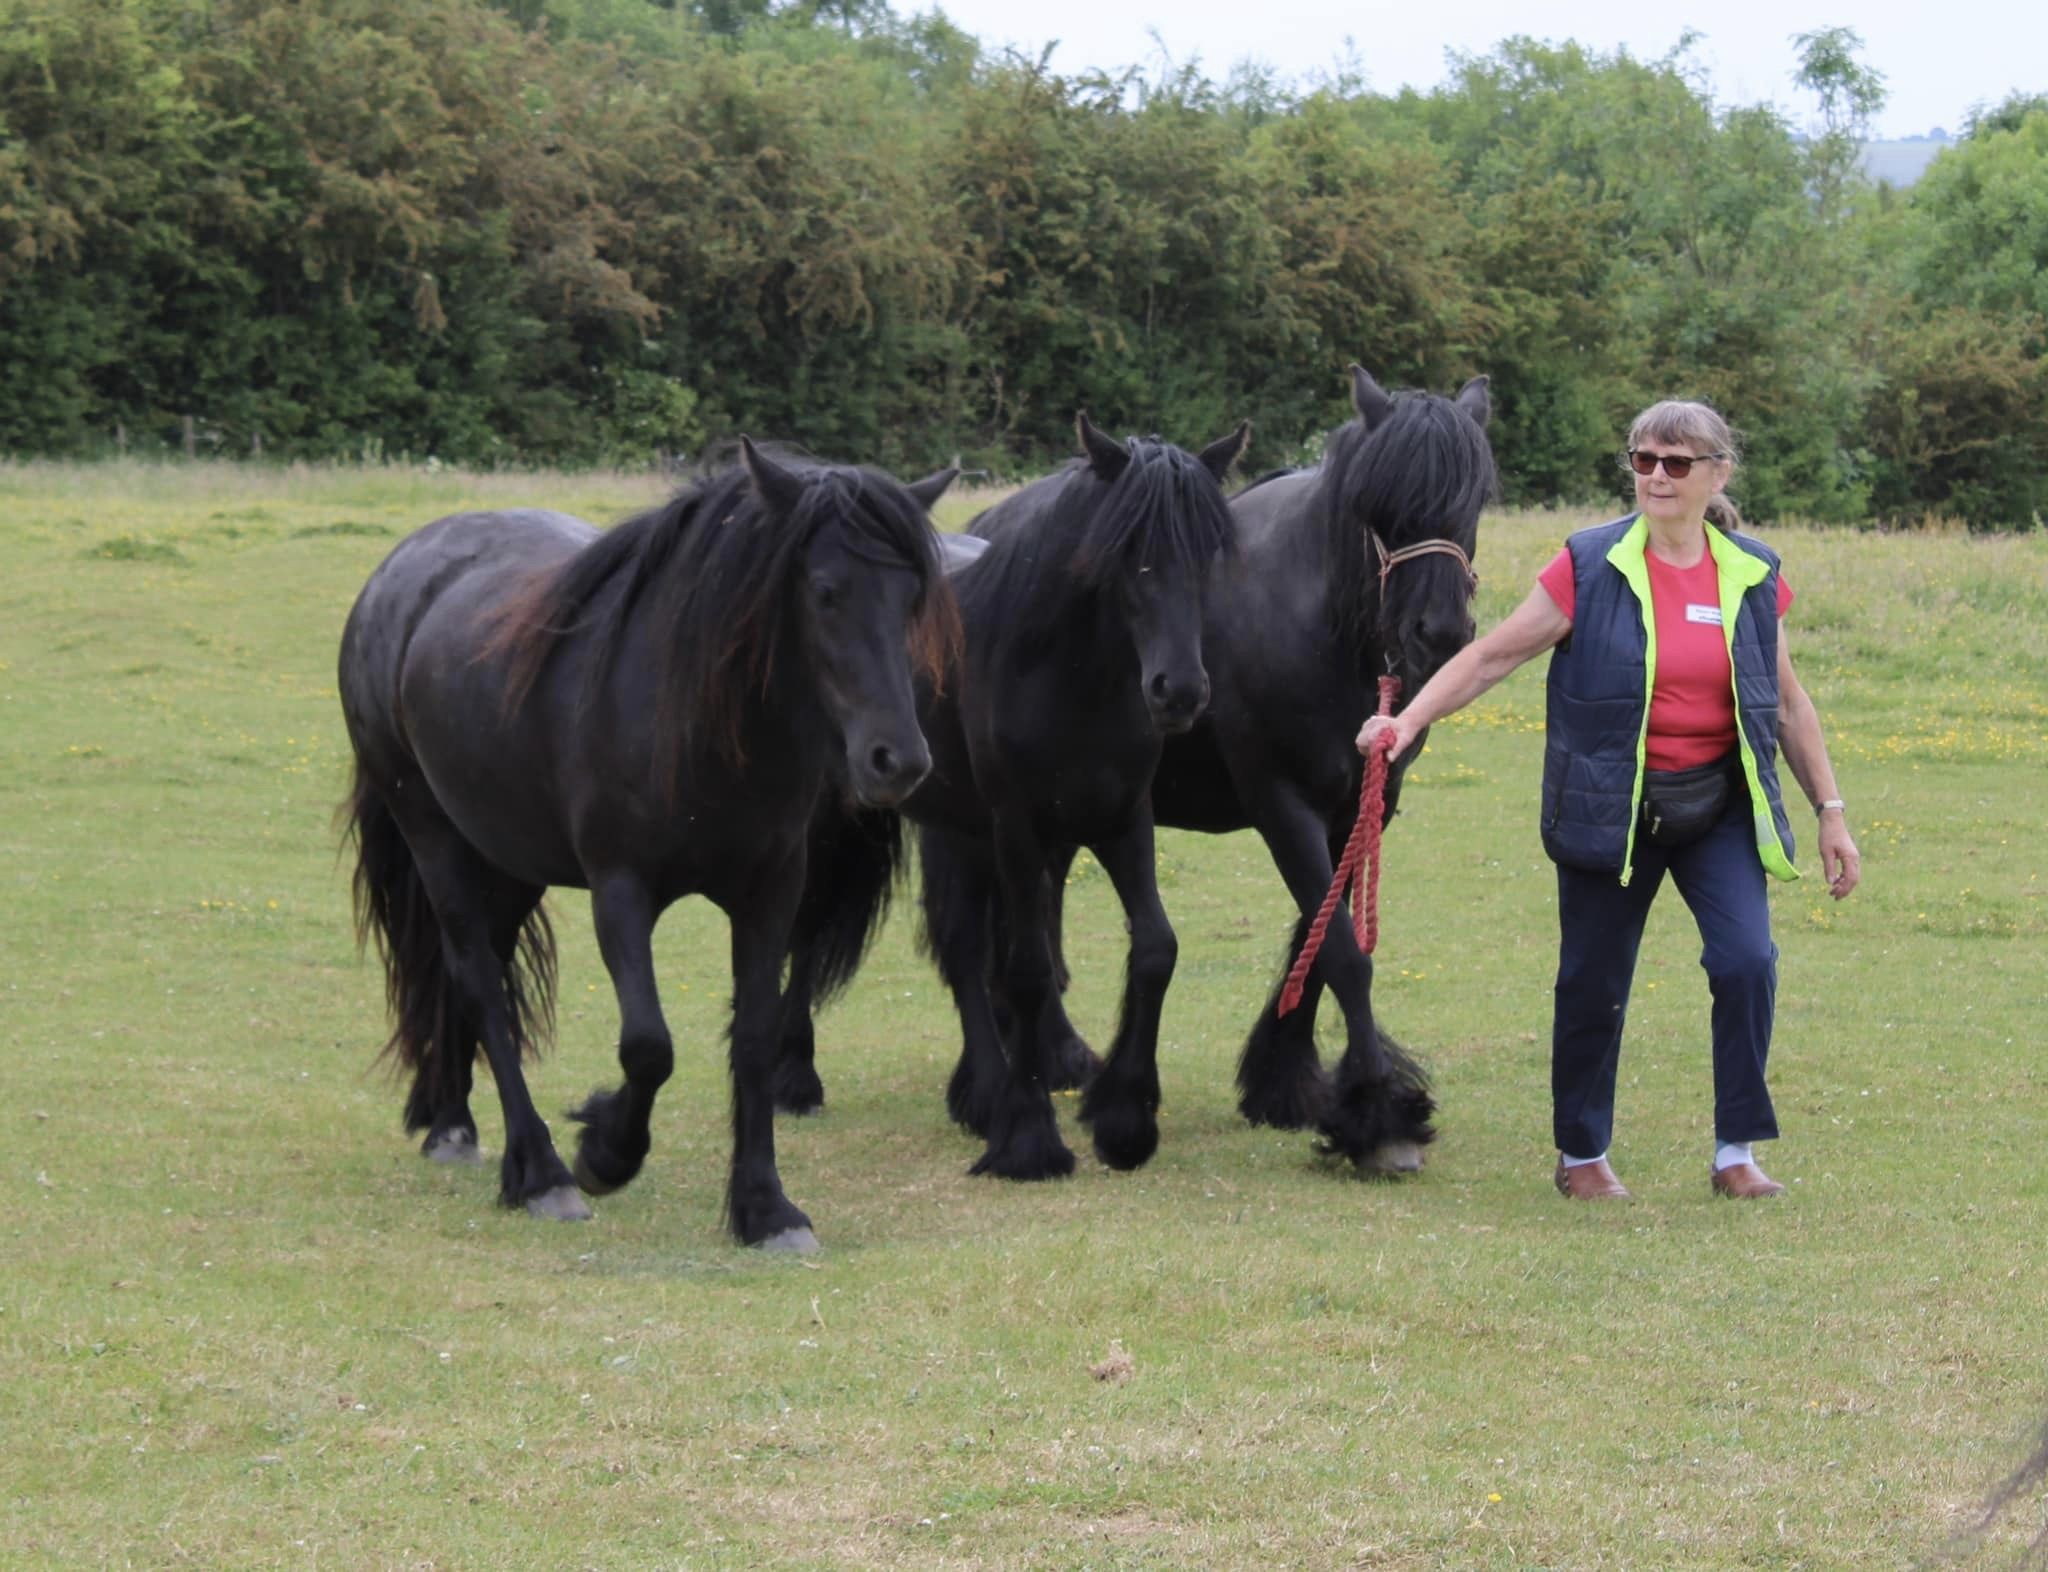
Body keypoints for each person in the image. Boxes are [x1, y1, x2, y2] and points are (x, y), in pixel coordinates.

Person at [1357, 401, 1860, 1200]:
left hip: (1716, 807)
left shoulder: (1752, 573)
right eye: (1643, 460)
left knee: (1748, 962)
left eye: (1677, 462)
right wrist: (1405, 718)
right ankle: (1582, 1154)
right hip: (1611, 808)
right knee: (1593, 982)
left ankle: (1736, 1151)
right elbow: (1491, 657)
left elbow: (1790, 705)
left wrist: (1831, 813)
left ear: (1717, 474)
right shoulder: (1588, 566)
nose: (1657, 476)